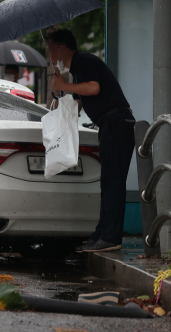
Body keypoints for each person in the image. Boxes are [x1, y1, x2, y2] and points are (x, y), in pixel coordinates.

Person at [47, 29, 135, 253]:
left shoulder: (82, 60)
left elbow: (93, 88)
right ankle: (102, 233)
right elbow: (78, 103)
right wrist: (58, 95)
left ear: (62, 47)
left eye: (51, 47)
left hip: (116, 122)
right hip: (109, 125)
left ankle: (111, 237)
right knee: (107, 182)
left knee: (113, 182)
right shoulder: (76, 70)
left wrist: (64, 86)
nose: (48, 52)